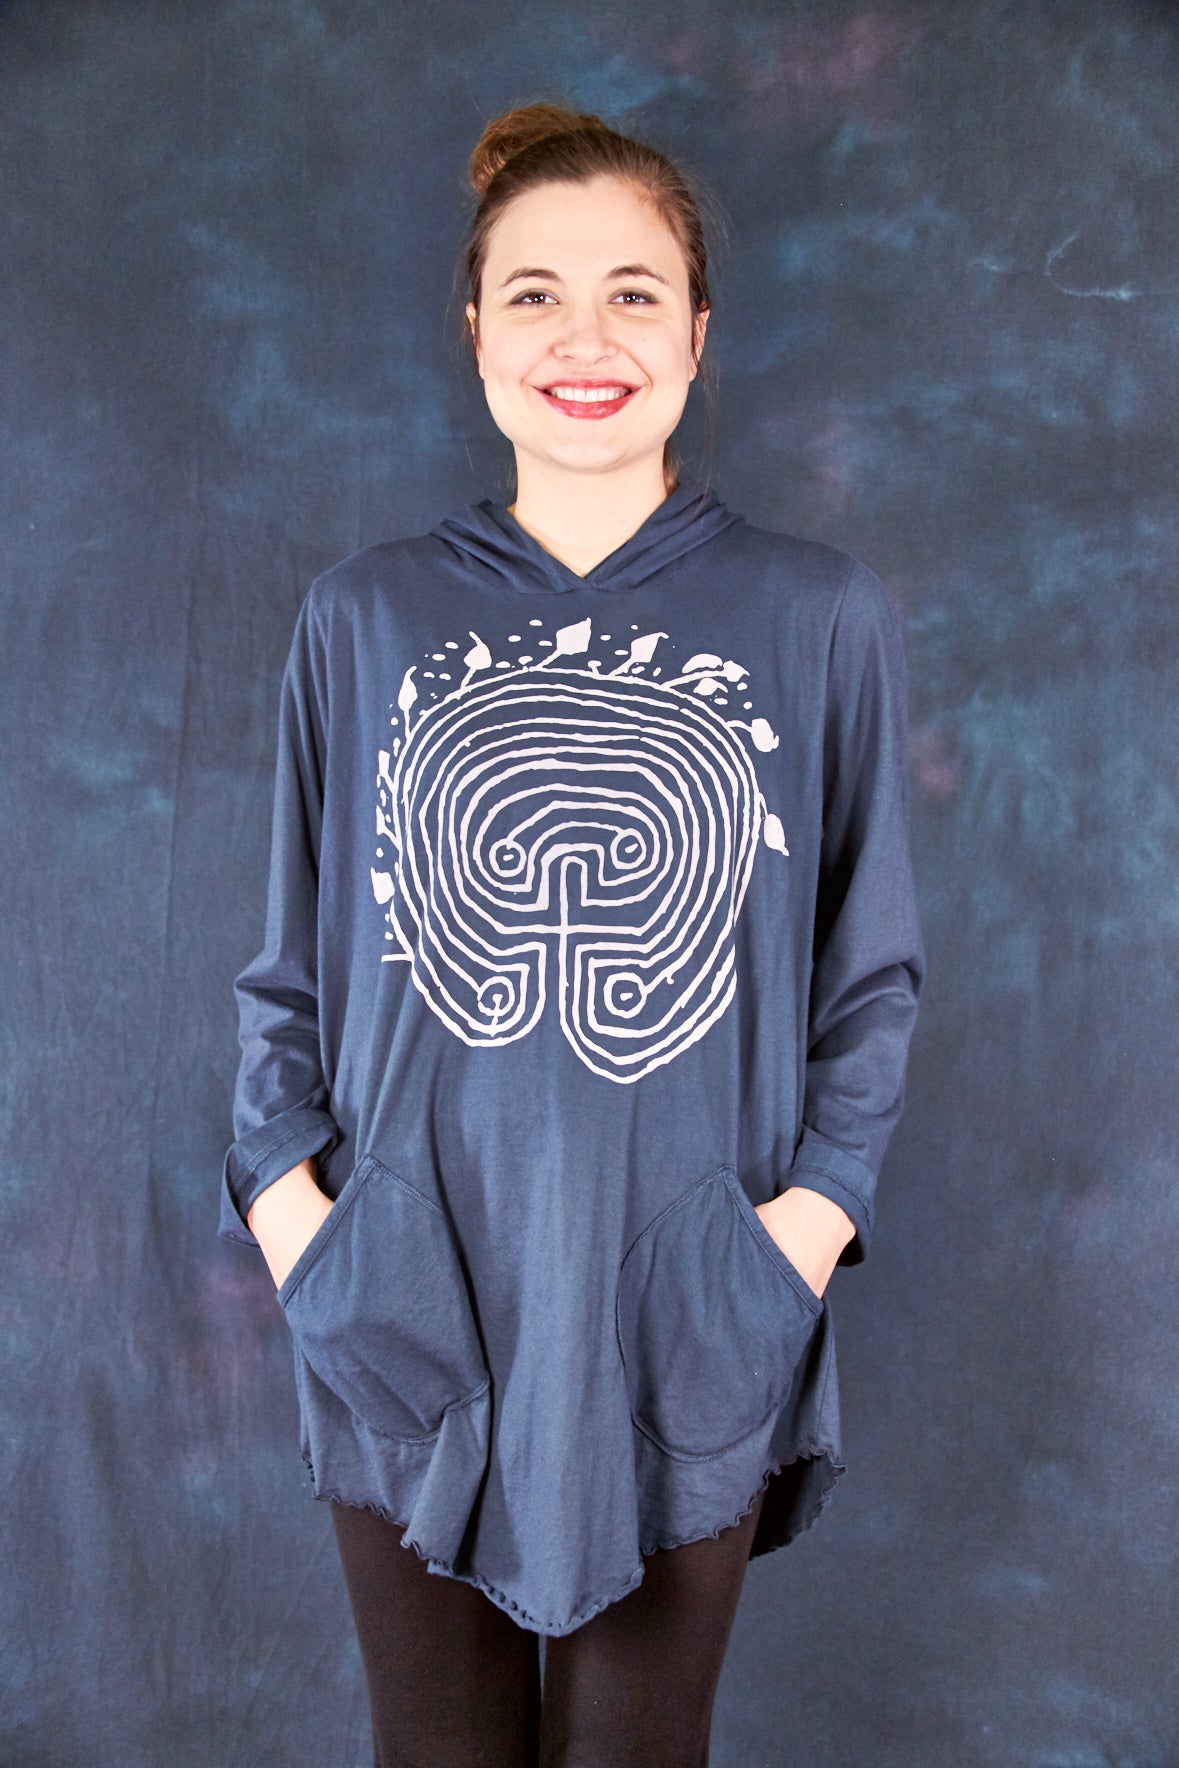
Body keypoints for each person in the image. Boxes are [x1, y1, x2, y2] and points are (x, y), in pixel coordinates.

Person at [220, 100, 926, 1767]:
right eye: (535, 294)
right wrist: (296, 1220)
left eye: (632, 292)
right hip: (402, 1292)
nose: (584, 338)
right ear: (475, 331)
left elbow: (870, 975)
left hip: (690, 1297)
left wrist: (799, 1234)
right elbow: (287, 970)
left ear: (699, 330)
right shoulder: (364, 615)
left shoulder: (819, 614)